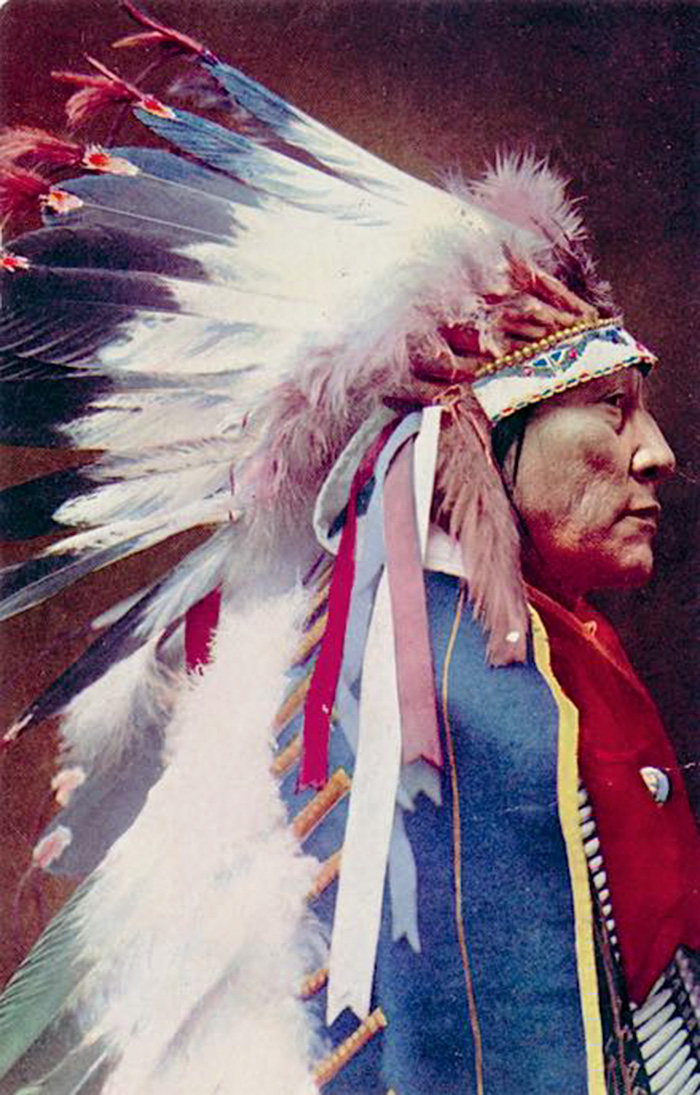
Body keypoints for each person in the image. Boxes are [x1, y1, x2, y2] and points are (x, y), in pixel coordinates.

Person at [0, 4, 697, 1093]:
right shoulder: (458, 696)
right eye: (607, 408)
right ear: (472, 438)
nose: (654, 454)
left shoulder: (474, 655)